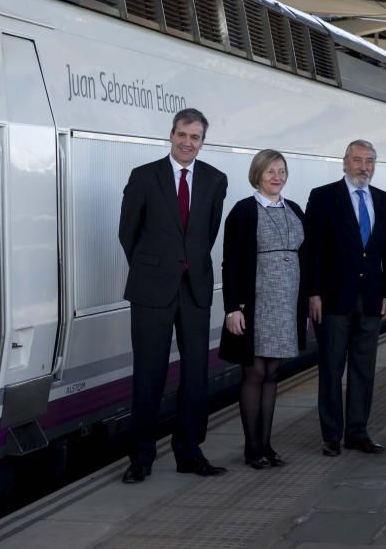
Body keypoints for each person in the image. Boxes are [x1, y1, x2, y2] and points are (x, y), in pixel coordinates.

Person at [118, 108, 228, 483]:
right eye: (182, 134)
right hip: (152, 289)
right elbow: (127, 233)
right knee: (149, 374)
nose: (188, 142)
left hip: (194, 288)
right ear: (171, 134)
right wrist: (156, 268)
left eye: (195, 137)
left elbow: (206, 234)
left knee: (197, 374)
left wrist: (185, 264)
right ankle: (141, 457)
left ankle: (189, 452)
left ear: (202, 141)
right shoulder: (144, 177)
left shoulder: (216, 180)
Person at [305, 140, 386, 456]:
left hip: (371, 299)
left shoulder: (385, 200)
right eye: (357, 160)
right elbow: (313, 251)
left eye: (369, 161)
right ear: (345, 162)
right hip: (332, 299)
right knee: (331, 367)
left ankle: (357, 433)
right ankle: (331, 436)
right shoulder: (322, 197)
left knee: (364, 368)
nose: (363, 166)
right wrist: (313, 293)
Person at [220, 150, 307, 469]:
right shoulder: (244, 211)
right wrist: (233, 308)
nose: (277, 176)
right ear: (257, 174)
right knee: (254, 372)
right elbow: (230, 263)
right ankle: (252, 448)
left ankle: (267, 444)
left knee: (272, 373)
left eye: (282, 171)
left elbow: (306, 256)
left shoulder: (294, 209)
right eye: (270, 170)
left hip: (286, 304)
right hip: (256, 303)